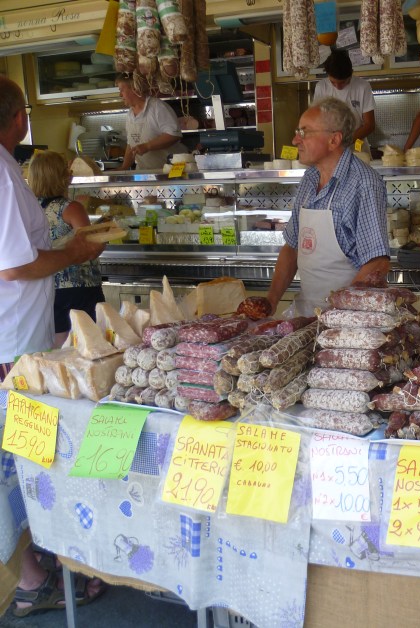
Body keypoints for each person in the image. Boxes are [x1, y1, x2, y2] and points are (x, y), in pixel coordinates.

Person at [0, 76, 107, 617]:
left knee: (23, 453)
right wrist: (73, 254)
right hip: (13, 344)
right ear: (20, 118)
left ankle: (39, 556)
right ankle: (35, 576)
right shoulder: (2, 173)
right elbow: (14, 265)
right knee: (21, 455)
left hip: (17, 338)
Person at [266, 97, 390, 317]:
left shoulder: (363, 183)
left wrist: (336, 318)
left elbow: (377, 263)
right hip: (306, 315)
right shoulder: (310, 178)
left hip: (347, 322)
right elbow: (292, 247)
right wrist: (270, 302)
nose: (295, 140)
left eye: (304, 132)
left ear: (334, 140)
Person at [29, 150, 106, 348]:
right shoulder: (71, 208)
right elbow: (89, 248)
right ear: (62, 176)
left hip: (46, 287)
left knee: (58, 347)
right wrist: (104, 236)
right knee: (88, 345)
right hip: (79, 287)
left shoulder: (29, 208)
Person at [115, 75, 187, 171]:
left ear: (135, 89)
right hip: (145, 172)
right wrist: (124, 167)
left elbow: (173, 135)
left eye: (121, 90)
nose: (120, 95)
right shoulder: (130, 114)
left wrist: (147, 146)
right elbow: (131, 145)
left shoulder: (157, 107)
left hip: (171, 171)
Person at [313, 50, 376, 151]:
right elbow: (317, 121)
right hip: (330, 148)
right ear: (328, 75)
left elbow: (369, 125)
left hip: (357, 148)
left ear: (351, 73)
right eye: (333, 82)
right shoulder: (321, 87)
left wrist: (344, 142)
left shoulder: (363, 87)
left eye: (343, 82)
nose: (338, 87)